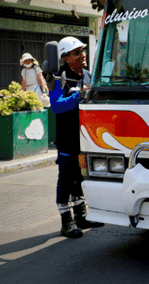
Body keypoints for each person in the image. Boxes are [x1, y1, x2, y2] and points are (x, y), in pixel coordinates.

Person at [50, 36, 104, 238]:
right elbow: (56, 105)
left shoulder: (89, 75)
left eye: (83, 51)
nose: (83, 55)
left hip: (86, 137)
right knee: (66, 178)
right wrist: (78, 96)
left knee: (80, 177)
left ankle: (81, 217)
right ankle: (66, 222)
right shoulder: (57, 78)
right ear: (65, 58)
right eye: (77, 53)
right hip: (67, 138)